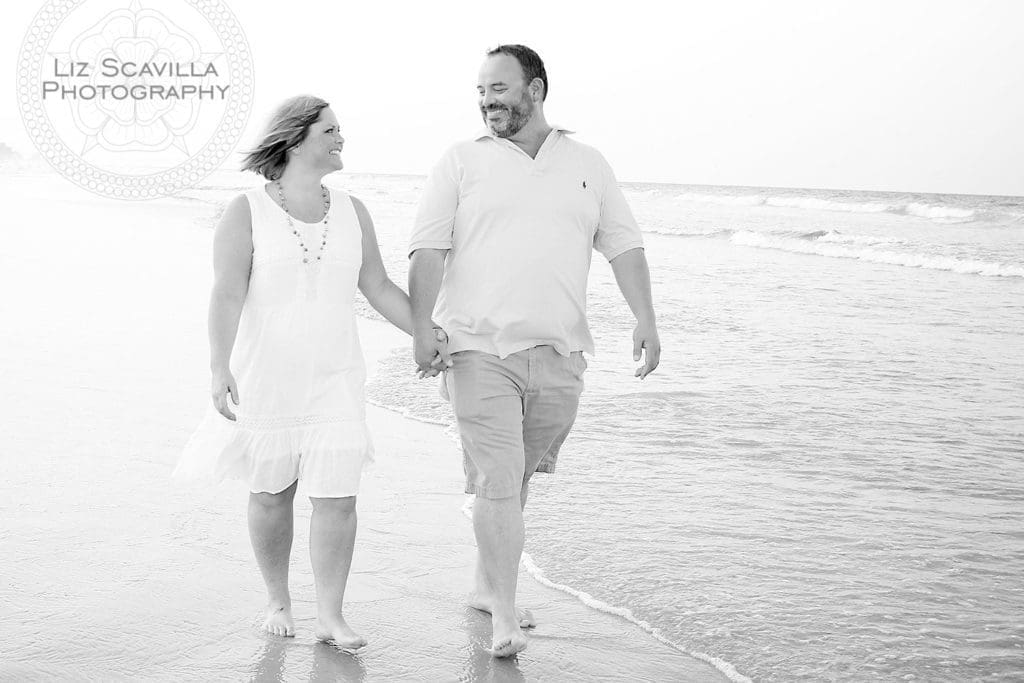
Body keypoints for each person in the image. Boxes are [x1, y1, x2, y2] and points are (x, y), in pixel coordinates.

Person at [408, 45, 661, 658]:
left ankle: (484, 584)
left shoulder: (587, 163)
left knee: (514, 479)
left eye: (498, 88)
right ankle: (503, 612)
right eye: (480, 91)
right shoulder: (461, 161)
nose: (486, 101)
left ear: (536, 89)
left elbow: (623, 245)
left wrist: (646, 318)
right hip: (477, 350)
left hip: (560, 353)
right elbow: (427, 250)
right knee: (498, 479)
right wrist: (420, 329)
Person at [174, 95, 432, 650]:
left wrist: (427, 335)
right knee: (272, 495)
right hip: (268, 375)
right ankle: (277, 599)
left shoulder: (354, 210)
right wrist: (218, 366)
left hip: (336, 376)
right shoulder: (246, 210)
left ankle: (331, 616)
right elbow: (227, 293)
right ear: (295, 138)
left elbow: (378, 286)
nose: (341, 139)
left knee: (339, 498)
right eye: (330, 130)